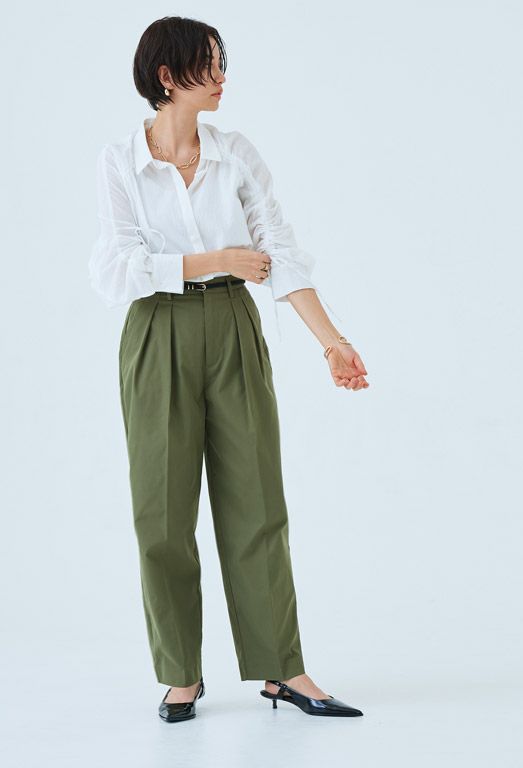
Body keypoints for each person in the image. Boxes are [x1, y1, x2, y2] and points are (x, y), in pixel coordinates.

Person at [89, 15, 369, 722]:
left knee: (258, 504)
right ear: (167, 76)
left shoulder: (235, 153)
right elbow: (117, 270)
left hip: (234, 326)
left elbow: (279, 251)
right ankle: (180, 673)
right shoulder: (120, 161)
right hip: (156, 332)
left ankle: (284, 669)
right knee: (161, 513)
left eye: (222, 63)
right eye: (208, 65)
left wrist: (331, 342)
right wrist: (216, 259)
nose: (221, 78)